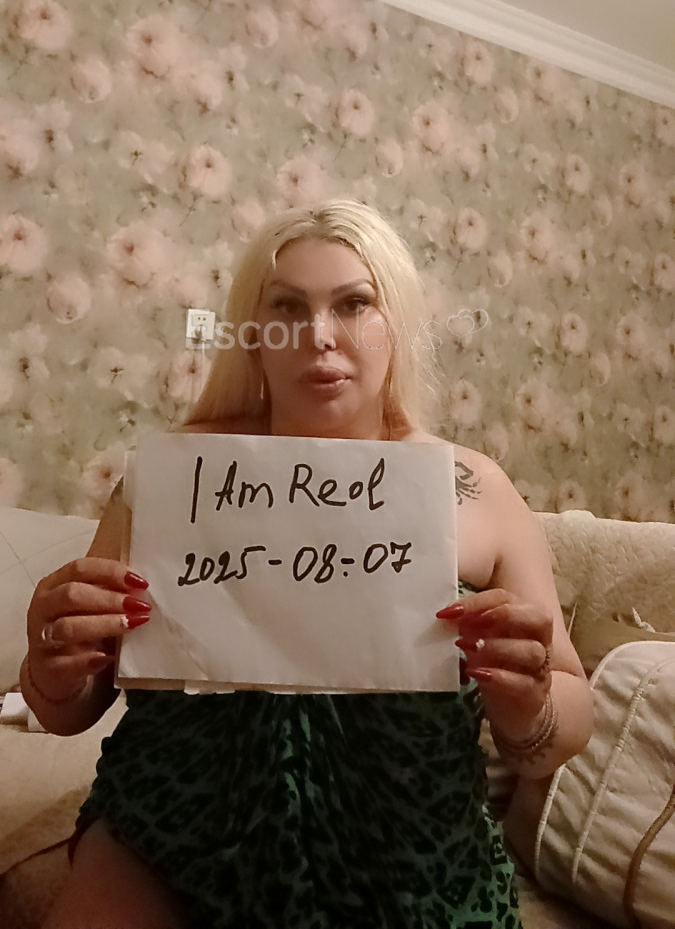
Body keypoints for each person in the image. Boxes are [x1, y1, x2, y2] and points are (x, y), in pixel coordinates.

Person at [21, 199, 593, 929]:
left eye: (354, 304)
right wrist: (52, 666)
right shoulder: (172, 478)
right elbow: (73, 706)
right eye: (287, 307)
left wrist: (531, 703)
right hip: (165, 831)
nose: (318, 335)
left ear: (396, 324)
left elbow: (565, 718)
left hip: (413, 853)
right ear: (253, 334)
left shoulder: (475, 488)